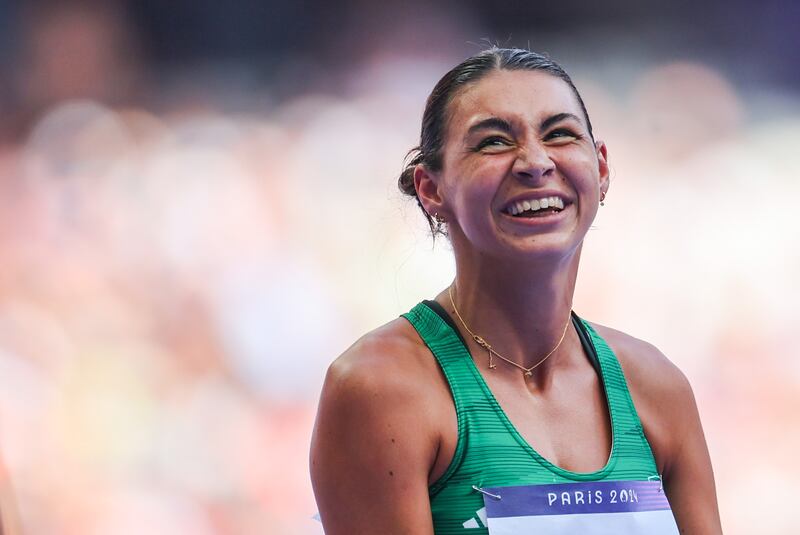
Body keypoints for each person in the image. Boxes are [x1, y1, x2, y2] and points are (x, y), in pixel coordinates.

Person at [310, 47, 722, 534]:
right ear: (431, 188)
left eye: (560, 134)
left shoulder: (655, 386)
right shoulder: (382, 389)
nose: (535, 162)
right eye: (493, 142)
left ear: (602, 168)